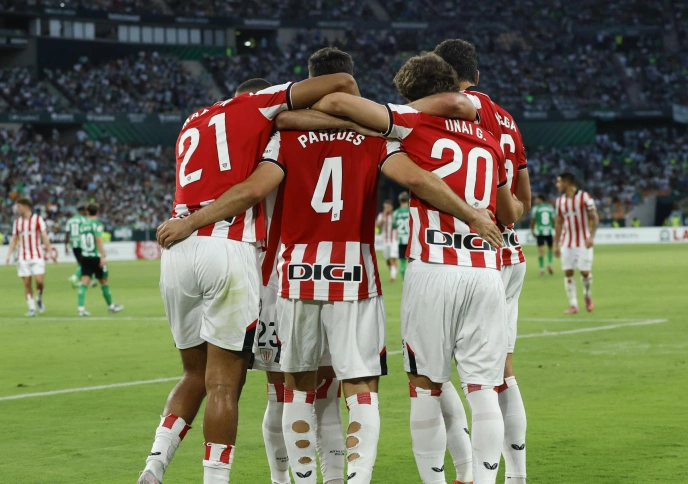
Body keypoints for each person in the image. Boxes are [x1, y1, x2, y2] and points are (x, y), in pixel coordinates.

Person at [157, 50, 504, 484]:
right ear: (347, 82)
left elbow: (257, 185)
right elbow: (417, 178)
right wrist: (472, 212)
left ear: (308, 82)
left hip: (292, 272)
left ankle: (298, 480)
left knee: (292, 391)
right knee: (359, 389)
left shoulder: (280, 136)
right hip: (353, 271)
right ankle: (355, 480)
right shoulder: (376, 136)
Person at [137, 70, 363, 484]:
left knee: (193, 373)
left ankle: (154, 466)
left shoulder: (193, 122)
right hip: (227, 247)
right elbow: (341, 83)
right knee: (225, 382)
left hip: (175, 249)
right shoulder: (261, 109)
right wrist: (354, 123)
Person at [308, 51, 525, 484]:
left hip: (435, 267)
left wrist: (401, 112)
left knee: (425, 385)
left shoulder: (409, 124)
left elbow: (333, 104)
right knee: (483, 389)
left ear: (411, 95)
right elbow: (511, 208)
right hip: (485, 272)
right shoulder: (485, 136)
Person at [435, 38, 533, 484]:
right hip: (509, 252)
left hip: (467, 254)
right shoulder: (507, 119)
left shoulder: (447, 109)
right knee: (499, 371)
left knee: (437, 370)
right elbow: (521, 203)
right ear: (477, 74)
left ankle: (470, 472)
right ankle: (515, 477)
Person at [554, 173, 598, 314]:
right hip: (567, 241)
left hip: (584, 240)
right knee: (568, 272)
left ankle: (587, 295)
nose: (557, 185)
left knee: (585, 272)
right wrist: (556, 244)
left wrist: (591, 236)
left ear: (567, 183)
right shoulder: (560, 201)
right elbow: (559, 222)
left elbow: (595, 216)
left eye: (559, 182)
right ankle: (573, 304)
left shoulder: (584, 197)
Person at [5, 197, 53, 316]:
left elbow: (44, 236)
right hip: (22, 256)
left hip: (37, 255)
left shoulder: (38, 220)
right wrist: (9, 254)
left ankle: (39, 298)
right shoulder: (17, 222)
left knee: (39, 281)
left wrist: (50, 251)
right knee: (27, 283)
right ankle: (32, 308)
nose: (17, 209)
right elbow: (14, 239)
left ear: (26, 207)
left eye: (19, 207)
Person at [76, 203, 123, 316]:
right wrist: (103, 255)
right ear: (97, 212)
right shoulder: (97, 224)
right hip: (96, 257)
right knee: (104, 282)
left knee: (84, 283)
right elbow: (98, 239)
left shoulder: (82, 225)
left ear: (87, 212)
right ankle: (111, 306)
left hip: (85, 256)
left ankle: (81, 309)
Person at [530, 195, 556, 275]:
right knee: (551, 249)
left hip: (540, 231)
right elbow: (554, 220)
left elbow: (533, 221)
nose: (535, 201)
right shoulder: (550, 208)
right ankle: (550, 264)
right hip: (549, 231)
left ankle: (541, 269)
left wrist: (532, 230)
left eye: (537, 199)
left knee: (541, 251)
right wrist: (554, 230)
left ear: (541, 199)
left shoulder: (535, 208)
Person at [376, 200, 399, 282]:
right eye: (385, 207)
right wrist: (384, 216)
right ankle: (392, 270)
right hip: (385, 241)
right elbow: (377, 225)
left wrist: (392, 215)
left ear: (391, 207)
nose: (386, 209)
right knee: (388, 260)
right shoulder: (381, 215)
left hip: (394, 240)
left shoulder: (395, 214)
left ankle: (393, 276)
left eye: (388, 207)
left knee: (393, 258)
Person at [66, 205, 87, 289]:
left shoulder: (70, 220)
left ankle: (84, 280)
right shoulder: (84, 219)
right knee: (85, 263)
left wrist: (66, 246)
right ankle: (74, 277)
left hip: (73, 243)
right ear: (82, 211)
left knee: (80, 263)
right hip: (82, 243)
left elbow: (67, 233)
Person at [393, 192, 411, 279]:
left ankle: (404, 281)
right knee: (413, 263)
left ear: (399, 201)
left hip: (401, 240)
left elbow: (394, 225)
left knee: (402, 263)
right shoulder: (411, 211)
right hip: (411, 240)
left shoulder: (396, 212)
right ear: (408, 200)